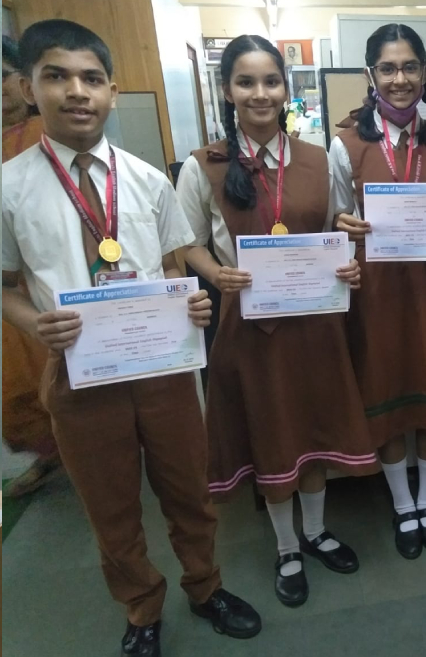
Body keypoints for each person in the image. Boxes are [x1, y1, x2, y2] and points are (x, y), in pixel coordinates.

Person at [1, 20, 261, 656]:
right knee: (111, 508)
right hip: (78, 373)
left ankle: (205, 587)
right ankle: (141, 608)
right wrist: (35, 323)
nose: (77, 92)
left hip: (164, 369)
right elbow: (6, 284)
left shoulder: (147, 179)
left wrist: (191, 304)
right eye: (57, 76)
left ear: (112, 91)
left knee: (189, 492)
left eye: (91, 78)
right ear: (31, 89)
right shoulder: (10, 187)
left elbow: (173, 267)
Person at [177, 34, 377, 608]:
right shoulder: (204, 165)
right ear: (227, 90)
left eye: (271, 81)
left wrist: (347, 268)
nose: (260, 93)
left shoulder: (319, 156)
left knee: (312, 428)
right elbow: (187, 244)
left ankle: (315, 531)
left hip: (315, 322)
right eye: (246, 81)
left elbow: (339, 230)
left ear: (287, 88)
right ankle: (288, 545)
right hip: (252, 330)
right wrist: (217, 276)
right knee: (273, 433)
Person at [330, 23, 426, 560]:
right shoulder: (345, 142)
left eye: (410, 67)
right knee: (389, 397)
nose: (400, 79)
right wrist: (343, 225)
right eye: (388, 69)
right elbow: (333, 220)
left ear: (425, 72)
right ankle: (402, 505)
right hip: (377, 292)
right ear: (370, 76)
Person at [2, 34, 61, 498]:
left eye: (4, 77)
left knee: (54, 370)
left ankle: (65, 450)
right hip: (10, 288)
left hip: (51, 290)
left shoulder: (52, 139)